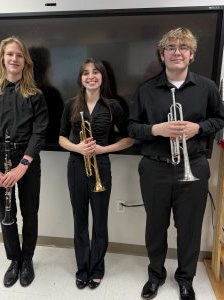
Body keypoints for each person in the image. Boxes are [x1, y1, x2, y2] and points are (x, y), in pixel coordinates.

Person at [128, 27, 224, 300]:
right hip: (155, 167)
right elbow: (132, 127)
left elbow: (220, 119)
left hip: (193, 165)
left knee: (190, 228)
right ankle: (155, 275)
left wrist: (198, 128)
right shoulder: (146, 89)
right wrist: (155, 130)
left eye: (183, 47)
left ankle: (185, 278)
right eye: (170, 48)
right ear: (162, 55)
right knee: (155, 227)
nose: (177, 52)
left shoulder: (207, 87)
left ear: (192, 54)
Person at [0, 36, 48, 287]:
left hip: (26, 160)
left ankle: (27, 260)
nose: (14, 59)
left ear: (25, 61)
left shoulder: (35, 95)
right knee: (6, 213)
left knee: (30, 212)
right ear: (2, 59)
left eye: (19, 55)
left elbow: (39, 132)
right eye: (10, 54)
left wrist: (23, 165)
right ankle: (14, 260)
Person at [59, 58, 133, 289]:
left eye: (95, 72)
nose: (90, 76)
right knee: (79, 220)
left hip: (101, 165)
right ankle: (82, 268)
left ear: (102, 76)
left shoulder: (114, 106)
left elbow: (130, 138)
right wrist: (77, 147)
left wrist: (104, 148)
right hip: (75, 167)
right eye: (85, 73)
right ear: (80, 78)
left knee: (100, 221)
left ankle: (97, 267)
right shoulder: (71, 104)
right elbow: (61, 137)